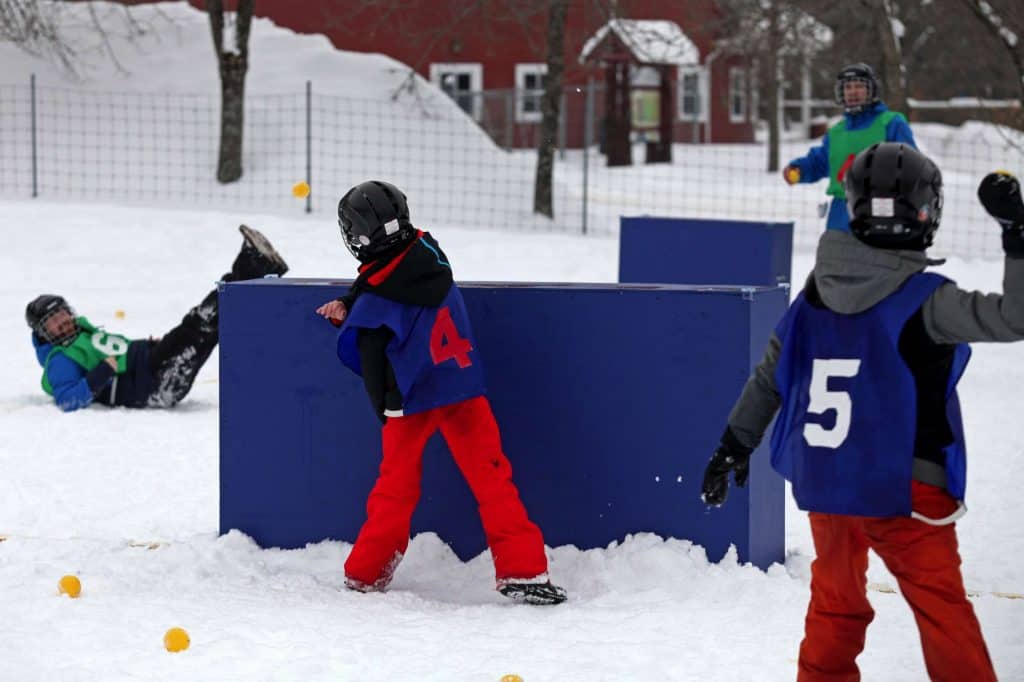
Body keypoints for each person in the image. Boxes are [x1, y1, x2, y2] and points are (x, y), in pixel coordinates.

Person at [701, 143, 1023, 681]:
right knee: (942, 612)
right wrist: (1017, 232)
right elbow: (1015, 318)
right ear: (927, 213)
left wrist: (733, 445)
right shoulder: (926, 299)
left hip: (829, 485)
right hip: (903, 489)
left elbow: (767, 381)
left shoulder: (809, 302)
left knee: (836, 602)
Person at [315, 180, 567, 605]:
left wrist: (384, 407)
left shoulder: (377, 299)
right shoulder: (428, 253)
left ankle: (367, 571)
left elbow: (374, 352)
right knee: (492, 478)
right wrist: (351, 302)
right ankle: (523, 568)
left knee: (395, 489)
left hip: (410, 399)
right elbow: (388, 283)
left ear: (358, 237)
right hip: (461, 386)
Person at [27, 225, 288, 412]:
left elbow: (118, 351)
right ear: (43, 333)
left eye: (62, 314)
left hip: (150, 365)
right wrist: (104, 370)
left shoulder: (82, 335)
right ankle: (253, 266)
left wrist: (146, 344)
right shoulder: (59, 360)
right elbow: (68, 400)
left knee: (206, 326)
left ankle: (259, 273)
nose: (61, 322)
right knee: (200, 324)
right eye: (52, 322)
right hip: (151, 384)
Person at [783, 62, 917, 231]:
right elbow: (820, 162)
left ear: (872, 90)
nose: (853, 92)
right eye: (848, 87)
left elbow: (911, 165)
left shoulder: (891, 123)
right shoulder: (836, 133)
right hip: (840, 215)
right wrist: (800, 170)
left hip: (880, 213)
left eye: (859, 86)